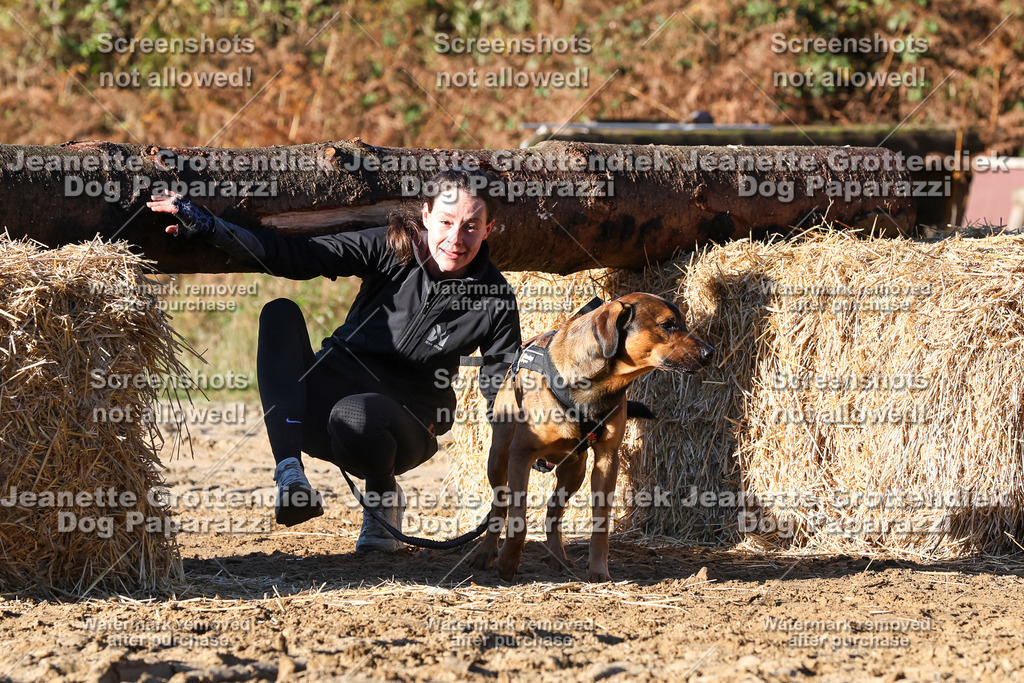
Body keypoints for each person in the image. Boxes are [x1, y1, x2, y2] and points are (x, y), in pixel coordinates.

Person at [147, 169, 521, 552]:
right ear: (426, 215)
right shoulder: (394, 247)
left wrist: (532, 442)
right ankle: (290, 474)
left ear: (488, 228)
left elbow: (503, 389)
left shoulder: (495, 299)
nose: (456, 239)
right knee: (279, 313)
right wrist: (213, 229)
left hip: (403, 427)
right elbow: (299, 257)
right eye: (447, 222)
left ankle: (382, 495)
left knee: (356, 413)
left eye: (471, 227)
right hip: (317, 408)